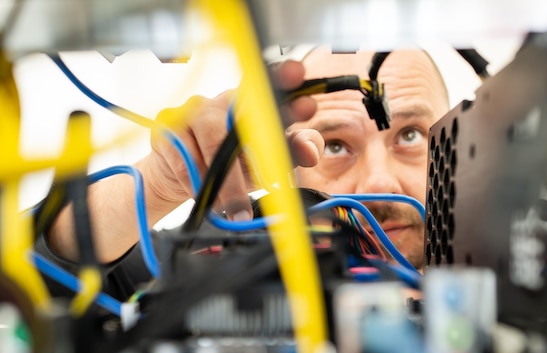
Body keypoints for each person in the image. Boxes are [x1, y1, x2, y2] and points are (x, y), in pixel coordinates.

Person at [36, 47, 450, 299]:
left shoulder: (510, 265)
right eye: (336, 145)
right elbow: (26, 288)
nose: (379, 183)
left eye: (411, 135)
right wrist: (158, 185)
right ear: (292, 175)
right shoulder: (216, 260)